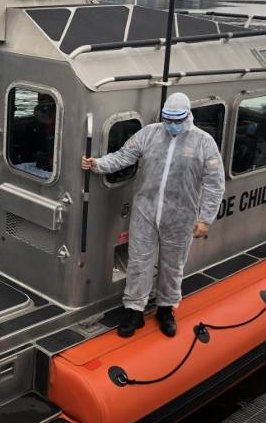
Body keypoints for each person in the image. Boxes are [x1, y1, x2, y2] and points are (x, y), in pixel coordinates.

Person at [82, 93, 225, 338]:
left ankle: (166, 308)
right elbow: (124, 156)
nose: (171, 124)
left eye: (176, 120)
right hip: (145, 211)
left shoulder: (204, 143)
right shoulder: (149, 133)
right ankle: (134, 310)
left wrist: (205, 219)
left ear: (188, 116)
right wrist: (98, 164)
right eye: (167, 119)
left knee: (172, 265)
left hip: (181, 216)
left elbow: (214, 183)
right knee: (139, 261)